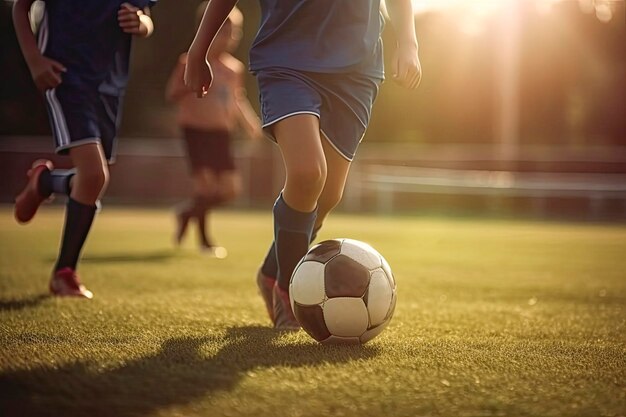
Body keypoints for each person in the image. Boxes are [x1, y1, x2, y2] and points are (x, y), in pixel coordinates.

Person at [185, 0, 421, 329]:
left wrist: (408, 42)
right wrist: (199, 49)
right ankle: (286, 289)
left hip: (357, 67)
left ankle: (270, 272)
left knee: (327, 197)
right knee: (308, 173)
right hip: (286, 59)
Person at [12, 0, 156, 298]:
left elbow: (146, 19)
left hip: (110, 87)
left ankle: (45, 182)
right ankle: (64, 273)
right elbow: (20, 7)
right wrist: (34, 60)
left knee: (90, 181)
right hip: (66, 77)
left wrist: (139, 23)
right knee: (95, 176)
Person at [166, 5, 262, 257]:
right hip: (196, 130)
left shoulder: (234, 69)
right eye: (225, 30)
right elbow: (172, 93)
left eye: (234, 32)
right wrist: (194, 81)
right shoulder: (190, 60)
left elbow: (237, 98)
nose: (230, 37)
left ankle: (186, 213)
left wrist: (250, 122)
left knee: (230, 190)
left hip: (221, 134)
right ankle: (205, 240)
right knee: (206, 188)